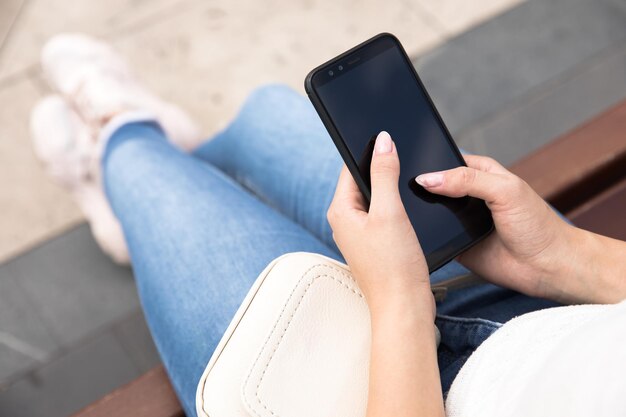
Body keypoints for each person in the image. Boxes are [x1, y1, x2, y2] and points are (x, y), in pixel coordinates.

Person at [31, 34, 626, 417]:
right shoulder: (549, 270)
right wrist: (563, 258)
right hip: (540, 302)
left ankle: (119, 135)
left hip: (359, 394)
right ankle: (177, 157)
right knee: (268, 112)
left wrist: (399, 300)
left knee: (143, 174)